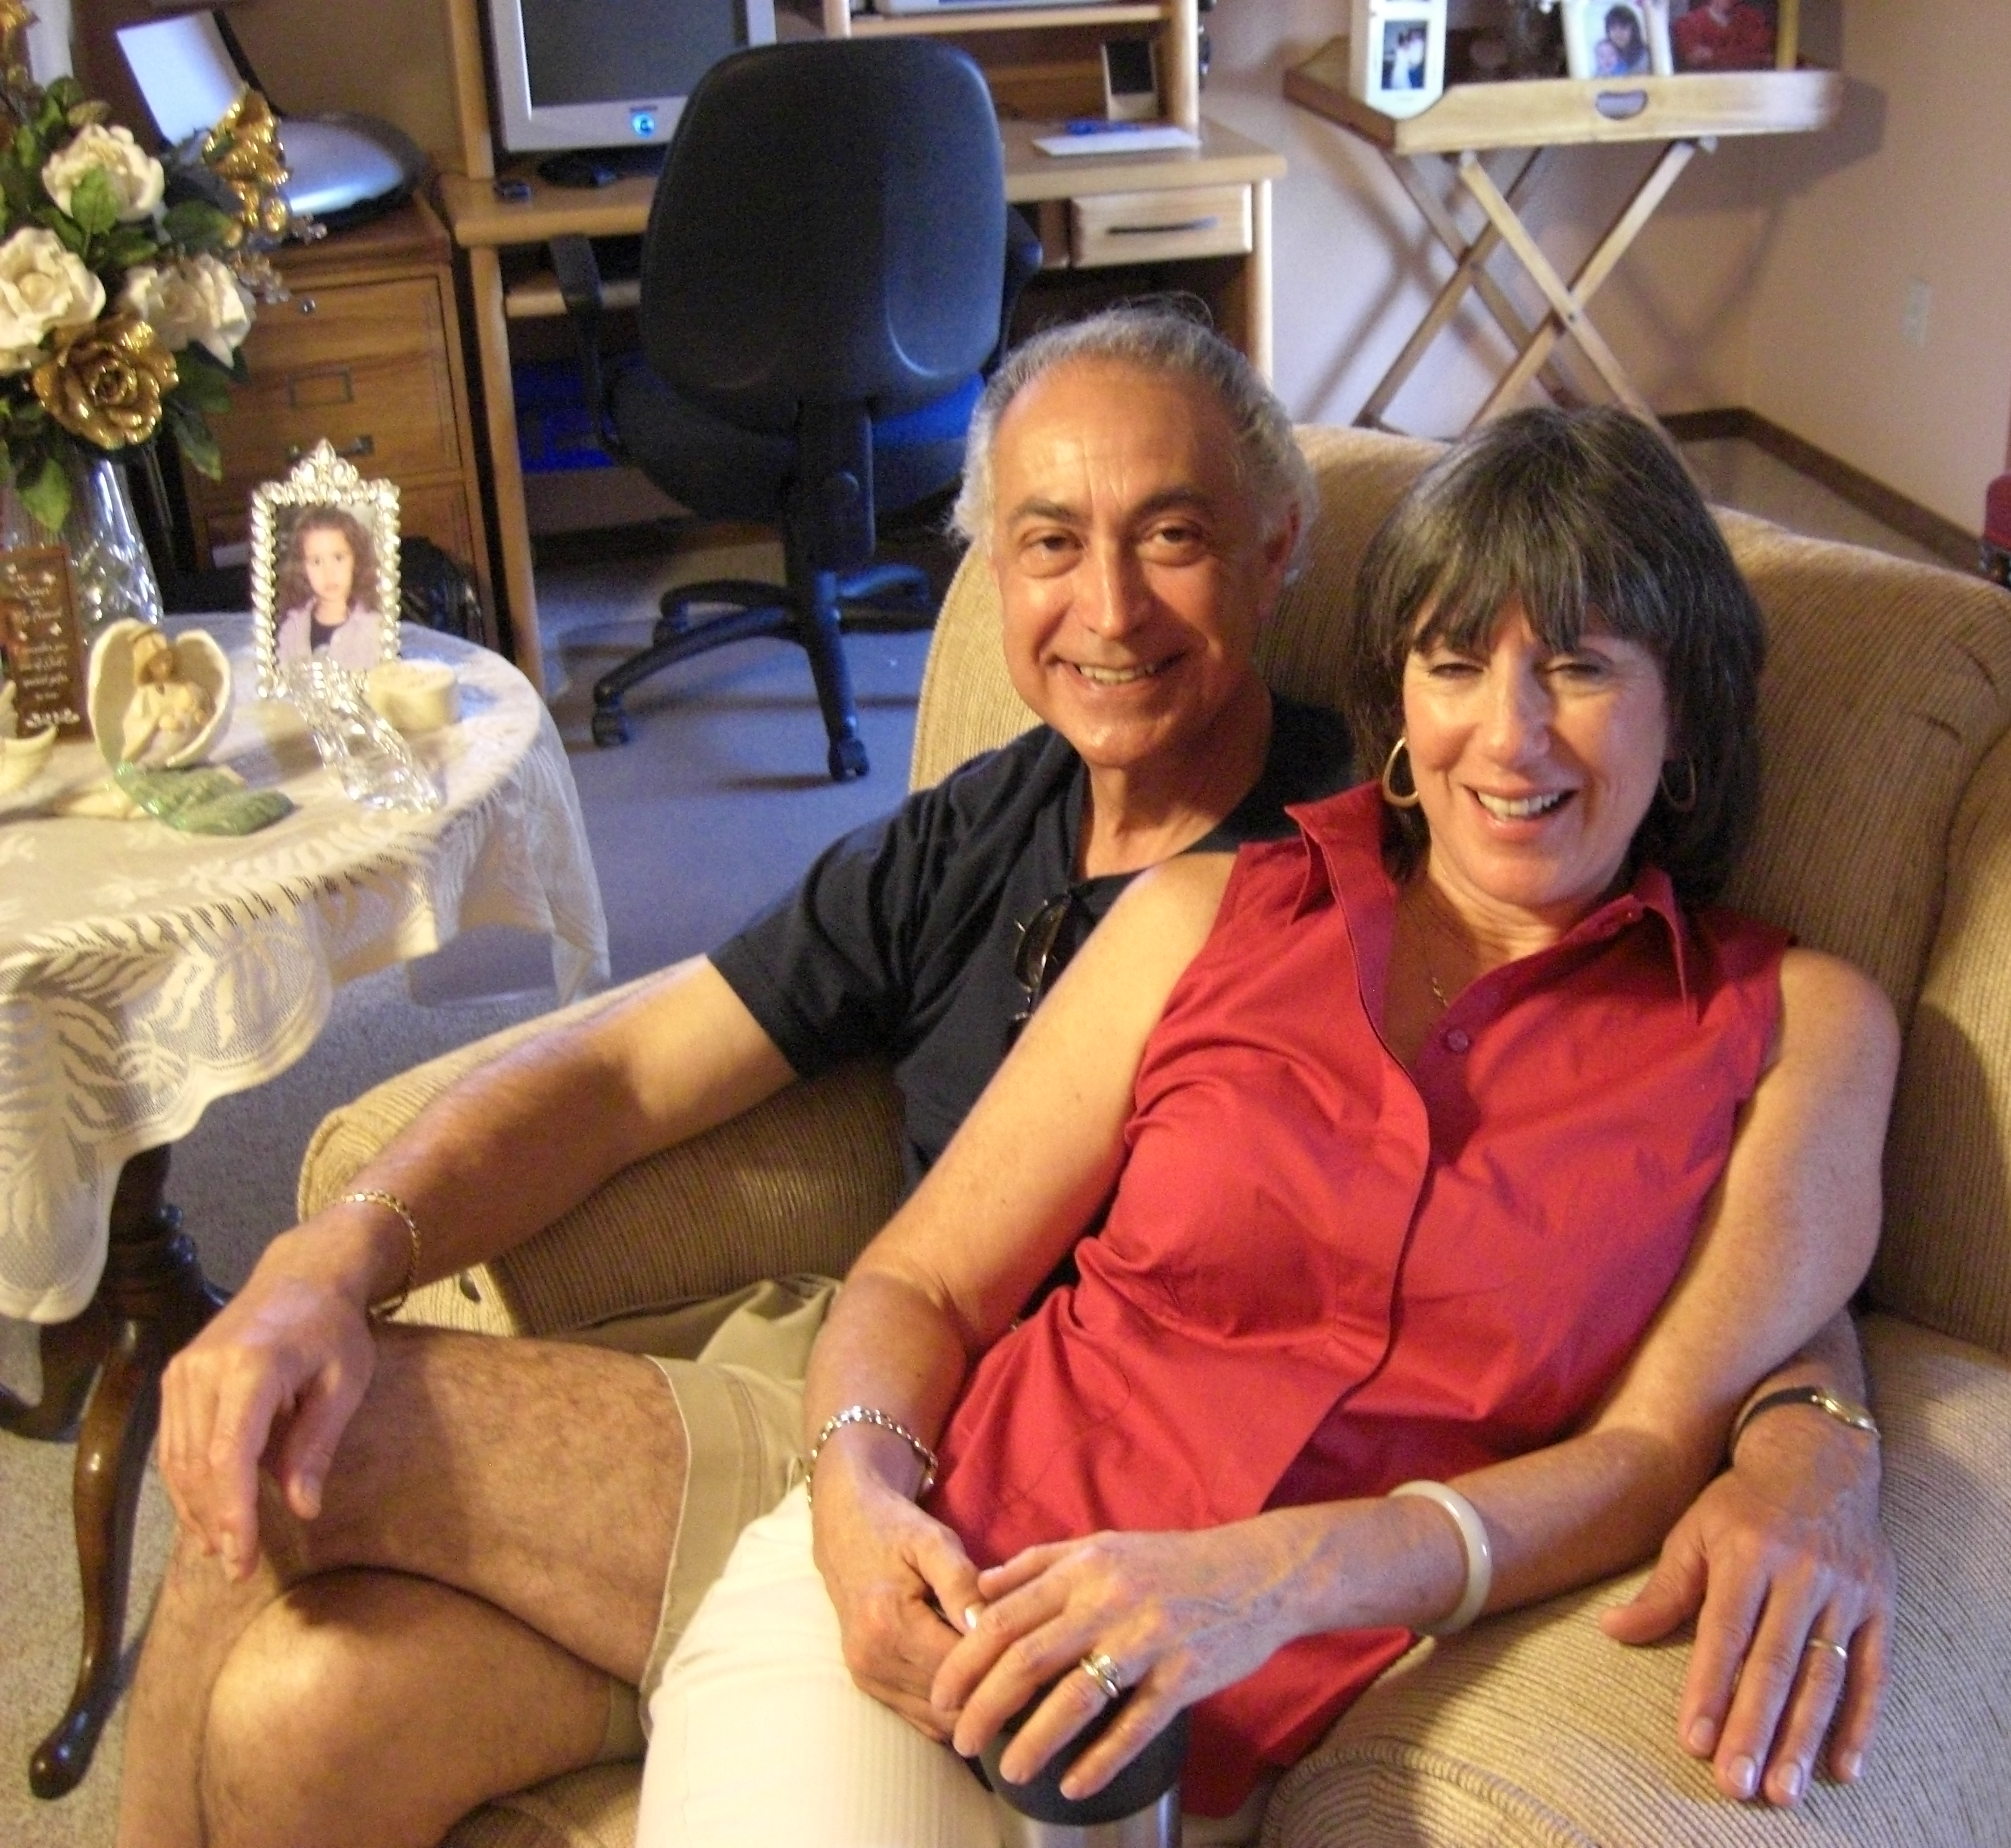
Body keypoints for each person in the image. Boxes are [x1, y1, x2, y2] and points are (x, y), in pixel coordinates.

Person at [122, 310, 1890, 1848]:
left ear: (1279, 552)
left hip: (1166, 1648)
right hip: (926, 1479)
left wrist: (1813, 1433)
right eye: (1050, 543)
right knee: (288, 1586)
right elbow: (656, 1092)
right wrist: (327, 1259)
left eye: (1172, 536)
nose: (1509, 731)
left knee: (307, 1636)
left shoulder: (1712, 985)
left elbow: (1696, 1322)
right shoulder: (1107, 873)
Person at [638, 405, 1898, 1843]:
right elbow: (923, 1281)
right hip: (931, 1594)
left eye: (1580, 668)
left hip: (1220, 1722)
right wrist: (857, 1497)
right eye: (1454, 663)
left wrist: (1267, 1580)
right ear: (1400, 708)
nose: (1510, 732)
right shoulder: (1203, 914)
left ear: (1684, 719)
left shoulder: (1798, 1028)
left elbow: (1652, 1451)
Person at [272, 504, 384, 670]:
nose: (329, 572)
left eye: (338, 558)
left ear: (357, 560)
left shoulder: (375, 628)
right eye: (316, 561)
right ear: (302, 568)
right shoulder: (292, 627)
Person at [119, 626, 213, 765]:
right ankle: (141, 766)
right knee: (158, 752)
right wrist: (158, 722)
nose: (164, 667)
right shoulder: (146, 694)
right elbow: (132, 723)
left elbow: (206, 706)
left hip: (189, 744)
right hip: (161, 745)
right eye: (156, 664)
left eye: (167, 660)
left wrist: (203, 717)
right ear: (147, 667)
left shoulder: (186, 685)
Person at [1671, 0, 1776, 72]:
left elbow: (1765, 57)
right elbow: (1693, 59)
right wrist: (1744, 55)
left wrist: (1711, 55)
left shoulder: (1755, 20)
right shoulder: (1688, 24)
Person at [1594, 4, 1648, 76]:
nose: (1618, 33)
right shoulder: (1607, 56)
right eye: (1613, 28)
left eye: (1623, 27)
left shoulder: (1644, 56)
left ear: (1633, 29)